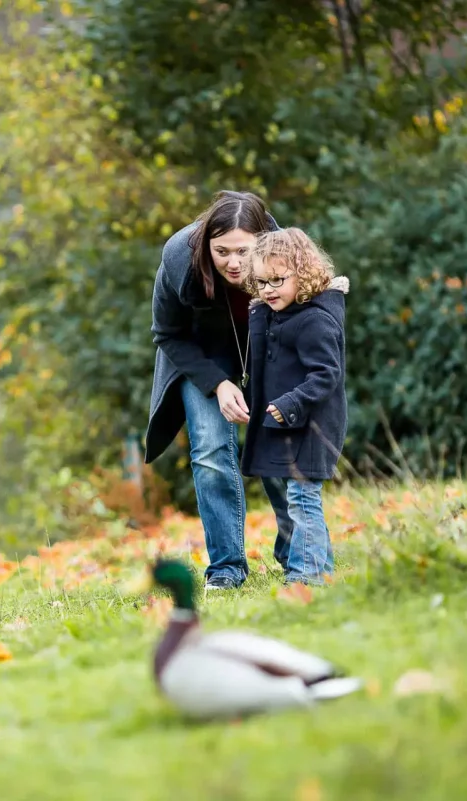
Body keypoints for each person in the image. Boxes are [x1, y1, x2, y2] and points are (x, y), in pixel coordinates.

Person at [143, 190, 279, 591]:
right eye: (222, 252)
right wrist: (218, 383)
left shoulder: (285, 251)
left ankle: (300, 558)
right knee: (210, 451)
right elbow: (166, 333)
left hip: (264, 349)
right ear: (206, 244)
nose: (233, 263)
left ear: (262, 243)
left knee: (278, 444)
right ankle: (226, 569)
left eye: (242, 252)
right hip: (200, 356)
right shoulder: (179, 260)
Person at [241, 227, 349, 586]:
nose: (268, 289)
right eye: (260, 282)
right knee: (291, 498)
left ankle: (307, 577)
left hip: (311, 425)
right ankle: (321, 567)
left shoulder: (315, 320)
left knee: (302, 499)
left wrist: (291, 403)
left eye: (277, 280)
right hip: (281, 424)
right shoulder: (271, 315)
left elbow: (326, 374)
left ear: (302, 273)